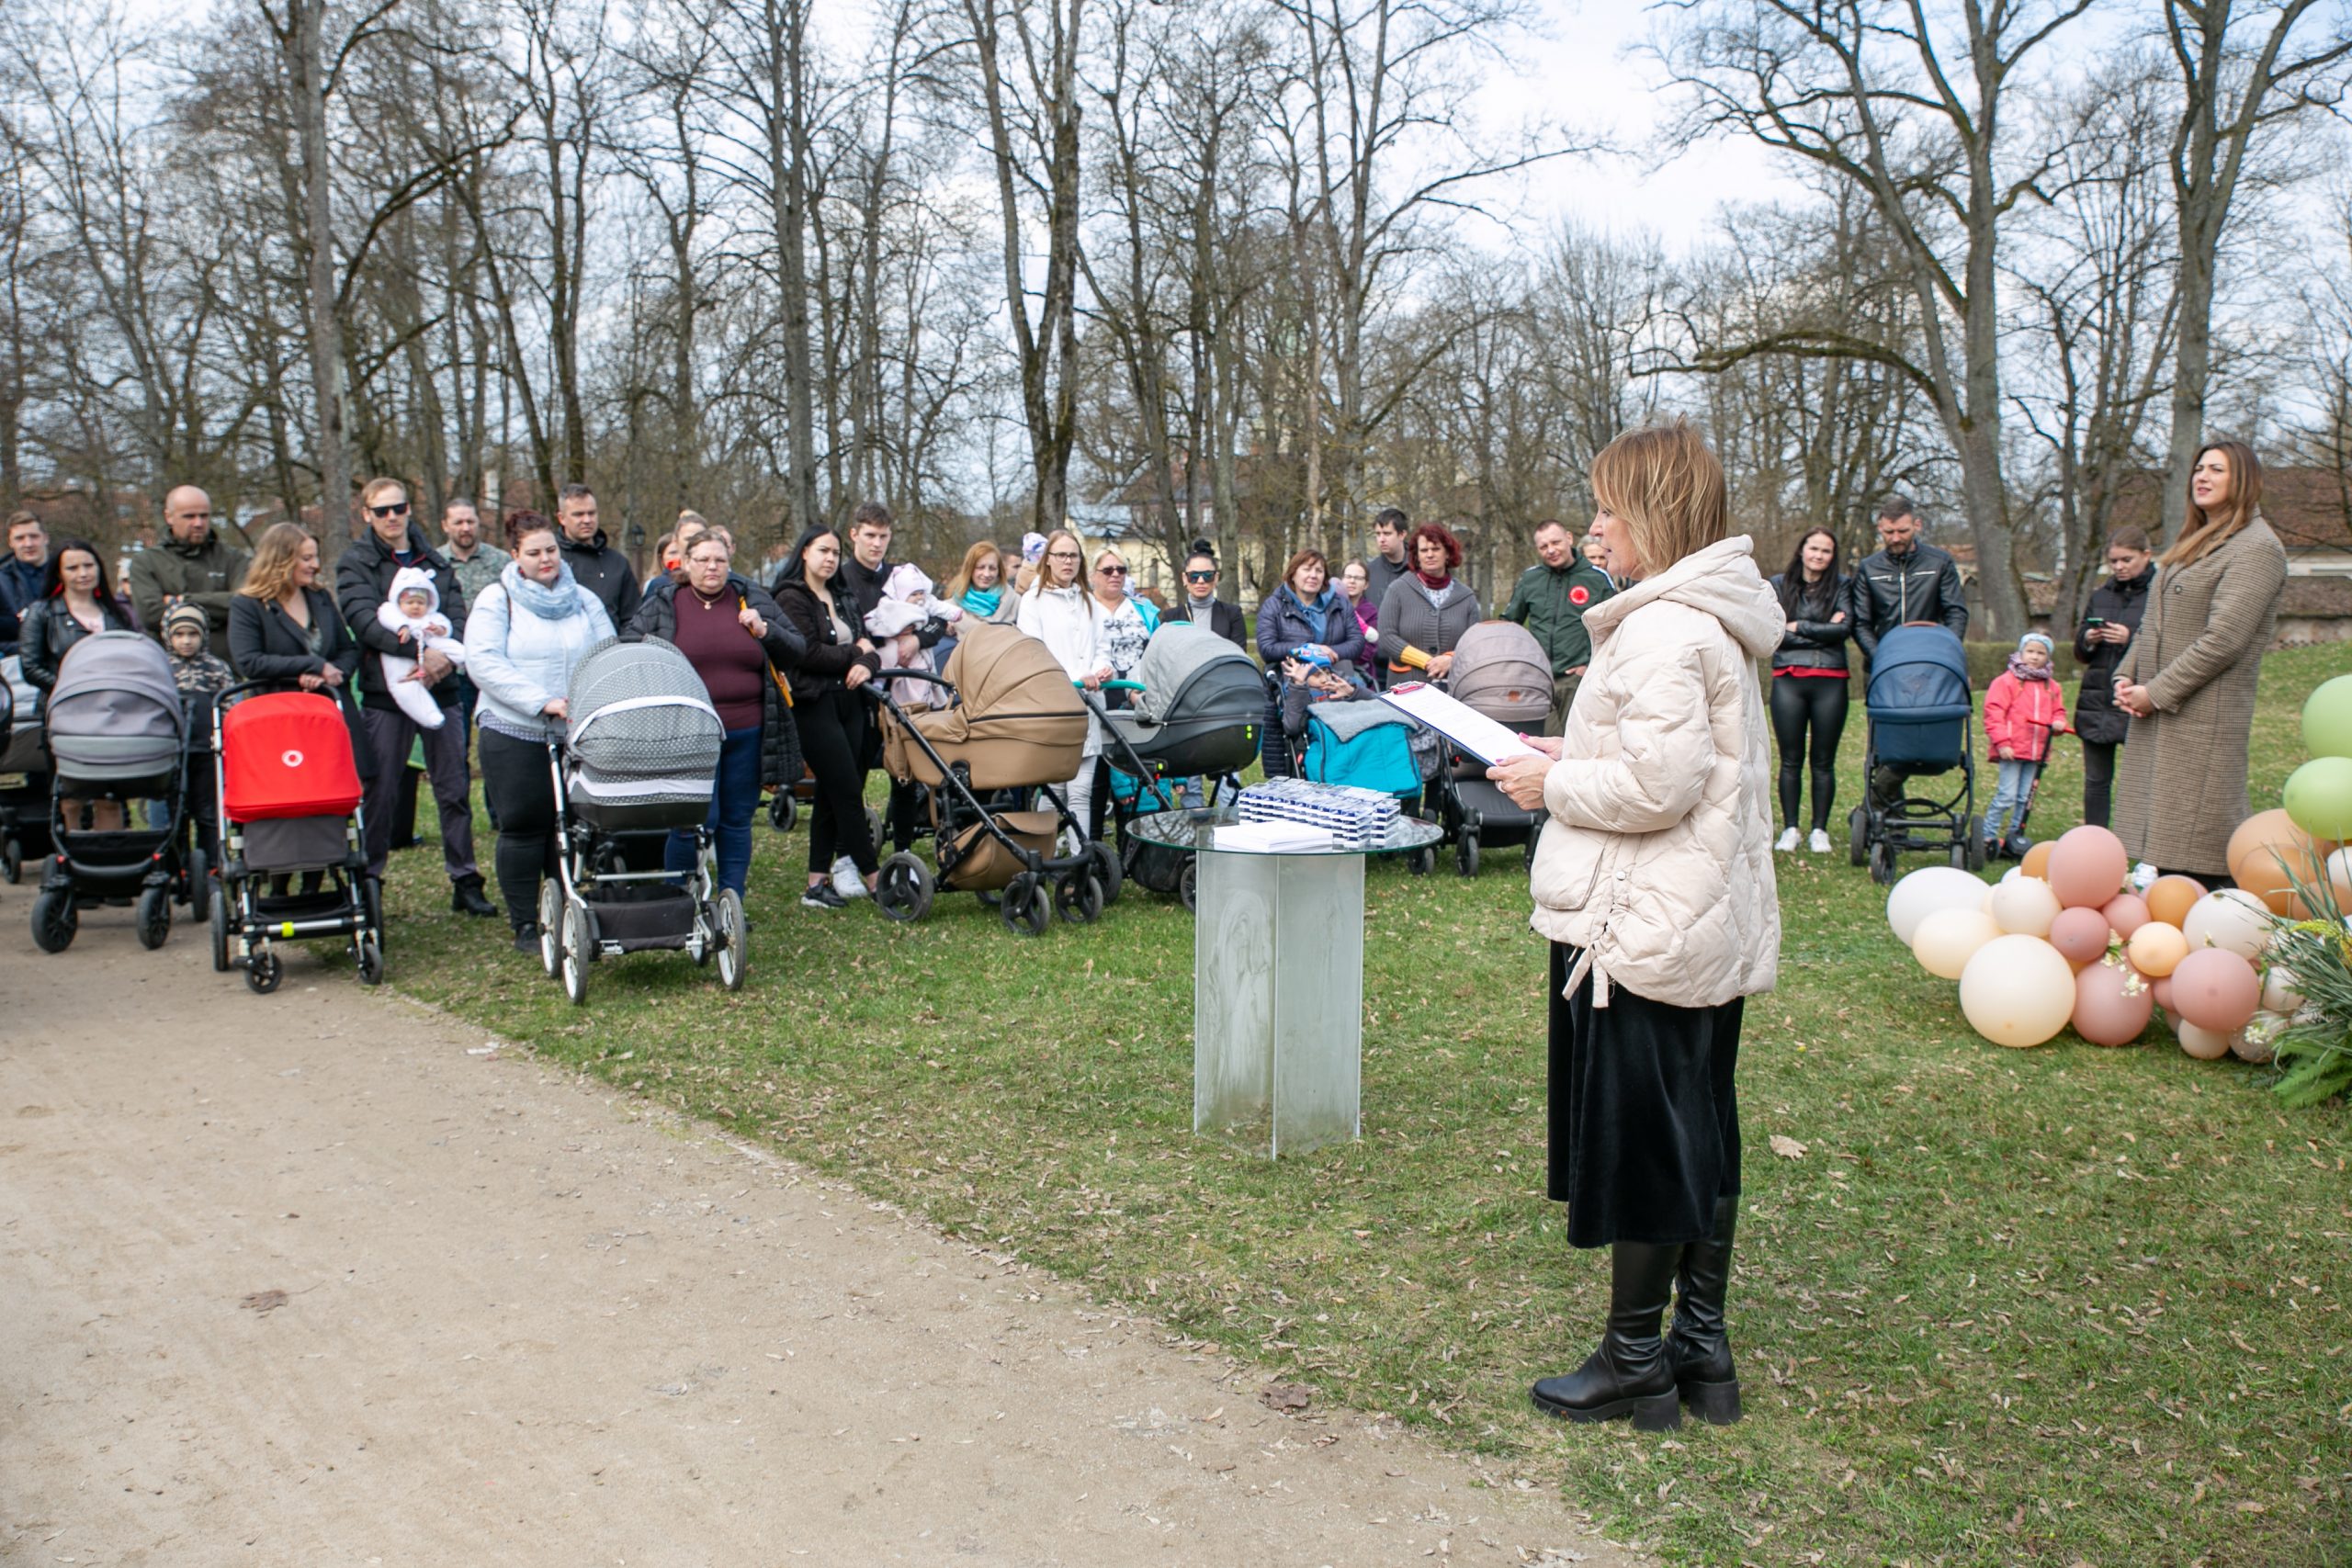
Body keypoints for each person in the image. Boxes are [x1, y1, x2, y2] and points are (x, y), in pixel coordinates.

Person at [1483, 418, 1780, 1433]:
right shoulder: (1708, 619)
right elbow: (1684, 758)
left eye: (1609, 508)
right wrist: (1567, 753)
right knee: (1700, 1123)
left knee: (1654, 1137)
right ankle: (1701, 1345)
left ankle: (1637, 1360)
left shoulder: (1662, 627)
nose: (1595, 529)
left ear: (1654, 514)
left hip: (1646, 920)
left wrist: (1553, 784)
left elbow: (1659, 784)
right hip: (1697, 914)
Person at [2112, 440, 2290, 885]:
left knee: (2200, 853)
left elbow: (2224, 640)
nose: (2202, 477)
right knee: (2166, 853)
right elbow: (2152, 623)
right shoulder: (2196, 540)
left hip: (2202, 721)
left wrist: (2155, 693)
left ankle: (2219, 923)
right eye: (2199, 468)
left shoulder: (2257, 548)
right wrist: (2126, 676)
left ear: (2243, 480)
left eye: (2217, 470)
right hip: (2160, 716)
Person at [337, 478, 494, 917]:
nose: (392, 517)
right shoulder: (357, 562)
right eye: (381, 510)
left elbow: (457, 614)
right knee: (381, 790)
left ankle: (465, 878)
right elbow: (365, 621)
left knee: (454, 788)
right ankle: (369, 881)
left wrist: (443, 660)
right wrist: (422, 655)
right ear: (366, 514)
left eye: (398, 508)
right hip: (387, 692)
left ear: (409, 509)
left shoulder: (434, 561)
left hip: (442, 688)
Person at [465, 510, 616, 952]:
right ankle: (525, 923)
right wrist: (541, 701)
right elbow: (484, 661)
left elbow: (606, 652)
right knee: (525, 824)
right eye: (534, 553)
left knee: (568, 823)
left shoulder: (583, 599)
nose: (546, 559)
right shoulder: (497, 600)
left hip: (575, 729)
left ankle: (563, 907)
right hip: (514, 728)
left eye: (551, 550)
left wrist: (590, 701)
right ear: (515, 555)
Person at [628, 525, 805, 899]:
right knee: (690, 821)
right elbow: (629, 649)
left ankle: (730, 901)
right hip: (687, 735)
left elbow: (796, 648)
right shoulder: (665, 602)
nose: (712, 567)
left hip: (747, 730)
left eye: (720, 560)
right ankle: (677, 900)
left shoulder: (749, 597)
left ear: (729, 562)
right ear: (685, 562)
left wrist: (765, 630)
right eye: (703, 559)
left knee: (737, 820)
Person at [227, 523, 377, 895]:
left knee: (327, 794)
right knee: (285, 798)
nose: (314, 565)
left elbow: (347, 648)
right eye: (306, 558)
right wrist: (308, 667)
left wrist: (334, 672)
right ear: (281, 560)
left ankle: (316, 880)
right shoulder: (248, 605)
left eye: (315, 557)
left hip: (325, 714)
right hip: (277, 720)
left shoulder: (320, 598)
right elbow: (249, 661)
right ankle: (278, 883)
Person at [771, 525, 883, 909]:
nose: (830, 558)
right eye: (823, 550)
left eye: (835, 552)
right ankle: (875, 877)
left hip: (850, 700)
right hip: (813, 703)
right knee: (847, 789)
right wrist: (856, 653)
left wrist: (865, 663)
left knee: (831, 793)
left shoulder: (843, 596)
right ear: (805, 552)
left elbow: (871, 647)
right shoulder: (791, 597)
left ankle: (816, 883)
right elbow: (807, 653)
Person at [20, 538, 137, 830]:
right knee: (71, 795)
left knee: (109, 795)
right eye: (73, 568)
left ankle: (110, 852)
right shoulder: (43, 612)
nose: (83, 573)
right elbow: (31, 667)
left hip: (112, 715)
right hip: (64, 715)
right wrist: (73, 690)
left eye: (88, 565)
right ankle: (71, 850)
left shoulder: (115, 614)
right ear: (59, 574)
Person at [1016, 529, 1109, 850]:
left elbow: (1102, 646)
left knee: (1081, 791)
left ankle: (1080, 859)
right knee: (1056, 789)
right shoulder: (1033, 601)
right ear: (1048, 560)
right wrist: (1076, 677)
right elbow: (1033, 653)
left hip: (1089, 706)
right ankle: (1041, 852)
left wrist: (1101, 669)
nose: (1068, 561)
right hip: (1054, 707)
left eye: (1073, 555)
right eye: (1061, 555)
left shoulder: (1090, 602)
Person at [1766, 528, 1852, 853]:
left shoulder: (1843, 586)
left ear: (1833, 556)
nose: (1818, 555)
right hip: (1788, 678)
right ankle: (1790, 829)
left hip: (1831, 678)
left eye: (1826, 551)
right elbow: (1774, 631)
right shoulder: (1778, 585)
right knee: (1790, 759)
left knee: (1823, 760)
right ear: (1802, 550)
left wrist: (1799, 626)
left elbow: (1844, 629)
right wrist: (1823, 630)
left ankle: (1819, 830)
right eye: (1813, 548)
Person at [1256, 549, 1365, 777]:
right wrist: (1305, 650)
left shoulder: (1340, 604)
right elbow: (1267, 647)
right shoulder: (1274, 605)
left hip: (1335, 679)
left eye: (1319, 570)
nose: (1313, 575)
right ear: (1293, 573)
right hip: (1291, 681)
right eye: (1306, 569)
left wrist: (1332, 652)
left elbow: (1357, 643)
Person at [2072, 526, 2154, 830]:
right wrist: (2088, 638)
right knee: (2096, 781)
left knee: (2142, 782)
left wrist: (2130, 639)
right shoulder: (2100, 596)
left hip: (2138, 699)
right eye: (2114, 561)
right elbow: (2080, 652)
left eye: (2126, 560)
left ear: (2147, 555)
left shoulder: (2160, 596)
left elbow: (2169, 647)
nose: (2119, 567)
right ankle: (2096, 840)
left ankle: (2140, 841)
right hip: (2096, 701)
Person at [1504, 517, 1618, 737]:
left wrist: (1589, 664)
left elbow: (1614, 628)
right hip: (1538, 679)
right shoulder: (1530, 579)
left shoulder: (1596, 578)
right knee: (1538, 742)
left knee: (1574, 742)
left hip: (1575, 679)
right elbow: (1510, 625)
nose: (1551, 550)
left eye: (1555, 542)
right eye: (1543, 546)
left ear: (1569, 538)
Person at [128, 485, 249, 660]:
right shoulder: (146, 561)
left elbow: (243, 604)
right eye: (189, 516)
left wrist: (180, 601)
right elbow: (151, 615)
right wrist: (218, 611)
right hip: (169, 666)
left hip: (227, 664)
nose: (198, 523)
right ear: (169, 517)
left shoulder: (233, 558)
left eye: (204, 516)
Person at [1849, 494, 1967, 664]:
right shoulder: (1868, 568)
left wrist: (1945, 651)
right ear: (1880, 528)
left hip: (1932, 660)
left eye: (1903, 531)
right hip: (1883, 662)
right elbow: (1860, 622)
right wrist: (1879, 656)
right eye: (1889, 532)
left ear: (1917, 525)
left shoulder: (1940, 563)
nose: (1896, 538)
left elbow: (1955, 613)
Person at [1981, 632, 2071, 858]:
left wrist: (2059, 722)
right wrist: (2002, 742)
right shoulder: (2007, 682)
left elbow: (2058, 711)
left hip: (2037, 751)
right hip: (2012, 749)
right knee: (2007, 796)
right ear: (2021, 652)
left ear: (2048, 657)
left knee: (2025, 798)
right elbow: (1994, 713)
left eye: (2041, 653)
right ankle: (1987, 835)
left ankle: (2015, 835)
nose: (2035, 657)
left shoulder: (2051, 686)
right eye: (2030, 651)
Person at [1374, 523, 1478, 685]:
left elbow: (1475, 642)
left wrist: (1451, 659)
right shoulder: (1398, 590)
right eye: (1424, 550)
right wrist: (1427, 662)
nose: (1430, 554)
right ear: (1417, 556)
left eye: (1435, 549)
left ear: (1447, 553)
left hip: (1454, 687)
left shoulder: (1466, 597)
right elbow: (1387, 637)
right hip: (1406, 687)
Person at [373, 567, 468, 728]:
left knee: (454, 647)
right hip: (401, 654)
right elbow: (385, 615)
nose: (416, 607)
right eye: (410, 602)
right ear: (399, 601)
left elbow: (446, 625)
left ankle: (466, 660)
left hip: (429, 641)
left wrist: (440, 630)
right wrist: (401, 627)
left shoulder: (431, 617)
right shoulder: (393, 611)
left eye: (421, 603)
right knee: (403, 685)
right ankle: (430, 715)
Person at [555, 484, 641, 629]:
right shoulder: (551, 562)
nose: (587, 520)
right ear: (561, 518)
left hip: (613, 641)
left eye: (592, 513)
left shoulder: (617, 563)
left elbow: (633, 619)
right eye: (578, 514)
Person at [1363, 509, 1412, 686]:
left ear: (1402, 534)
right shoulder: (1369, 572)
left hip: (1413, 664)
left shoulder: (1419, 571)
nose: (1381, 539)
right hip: (1375, 667)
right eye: (1378, 534)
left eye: (1387, 533)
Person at [1165, 543, 1247, 647]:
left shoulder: (1233, 614)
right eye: (1194, 576)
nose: (1201, 581)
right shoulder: (1171, 617)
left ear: (1216, 578)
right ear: (1185, 579)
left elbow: (1238, 653)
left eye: (1207, 575)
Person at [0, 509, 48, 655]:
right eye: (20, 538)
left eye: (34, 536)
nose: (28, 544)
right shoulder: (2, 581)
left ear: (46, 538)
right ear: (10, 542)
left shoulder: (68, 574)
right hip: (16, 659)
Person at [944, 540, 1014, 624]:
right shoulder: (948, 609)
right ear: (969, 569)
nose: (987, 574)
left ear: (999, 571)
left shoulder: (1015, 602)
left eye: (992, 568)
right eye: (980, 567)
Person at [1339, 558, 1377, 649]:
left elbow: (1370, 647)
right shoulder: (1330, 606)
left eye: (1358, 578)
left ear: (1366, 585)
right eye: (1348, 577)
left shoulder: (1371, 612)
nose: (1352, 581)